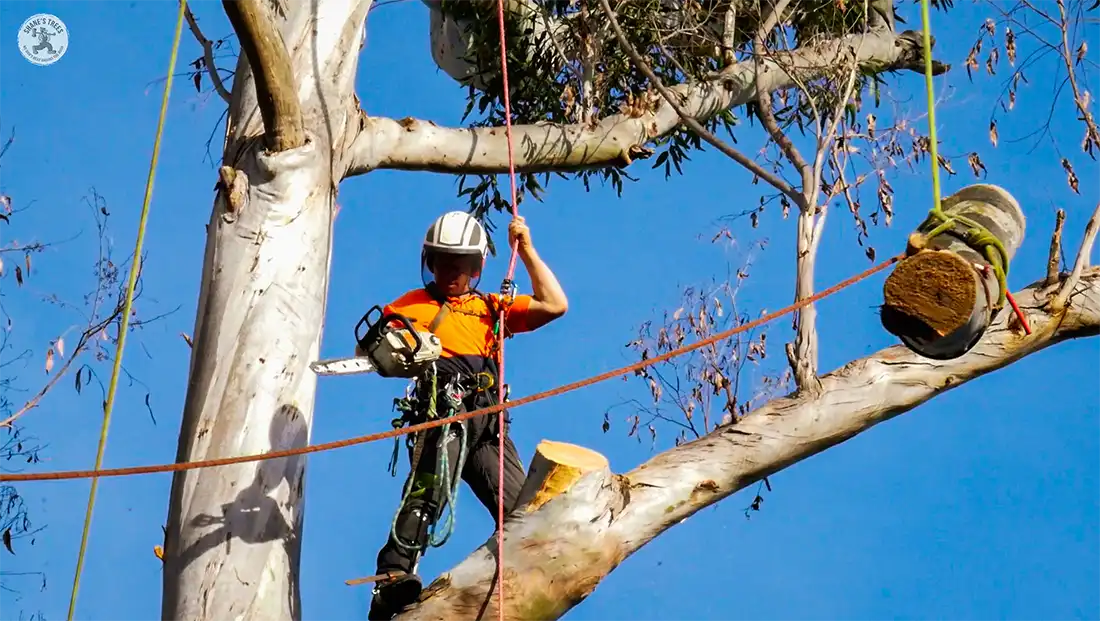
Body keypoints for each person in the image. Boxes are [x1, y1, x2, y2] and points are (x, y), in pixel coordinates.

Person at [365, 210, 568, 621]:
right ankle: (392, 576)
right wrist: (405, 348)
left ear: (476, 267)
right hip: (445, 408)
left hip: (489, 421)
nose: (450, 271)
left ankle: (517, 581)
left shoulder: (492, 308)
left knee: (521, 510)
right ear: (431, 261)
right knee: (430, 489)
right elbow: (372, 350)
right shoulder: (412, 306)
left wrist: (525, 250)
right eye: (441, 261)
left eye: (459, 264)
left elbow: (554, 304)